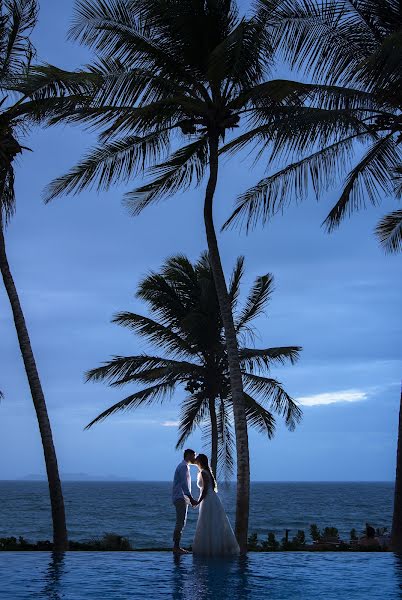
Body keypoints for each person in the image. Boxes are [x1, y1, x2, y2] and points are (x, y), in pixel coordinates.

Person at [192, 453, 240, 556]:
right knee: (214, 522)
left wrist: (198, 502)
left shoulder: (204, 473)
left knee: (208, 522)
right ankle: (215, 547)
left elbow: (204, 490)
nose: (196, 462)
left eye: (197, 460)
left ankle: (210, 549)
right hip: (212, 498)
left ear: (200, 462)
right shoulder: (207, 472)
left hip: (208, 499)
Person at [172, 448, 198, 554]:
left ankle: (176, 546)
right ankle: (176, 547)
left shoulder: (184, 466)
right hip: (180, 497)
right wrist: (191, 498)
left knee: (181, 522)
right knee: (180, 522)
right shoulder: (183, 467)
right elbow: (184, 484)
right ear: (188, 455)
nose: (194, 458)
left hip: (181, 497)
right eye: (193, 455)